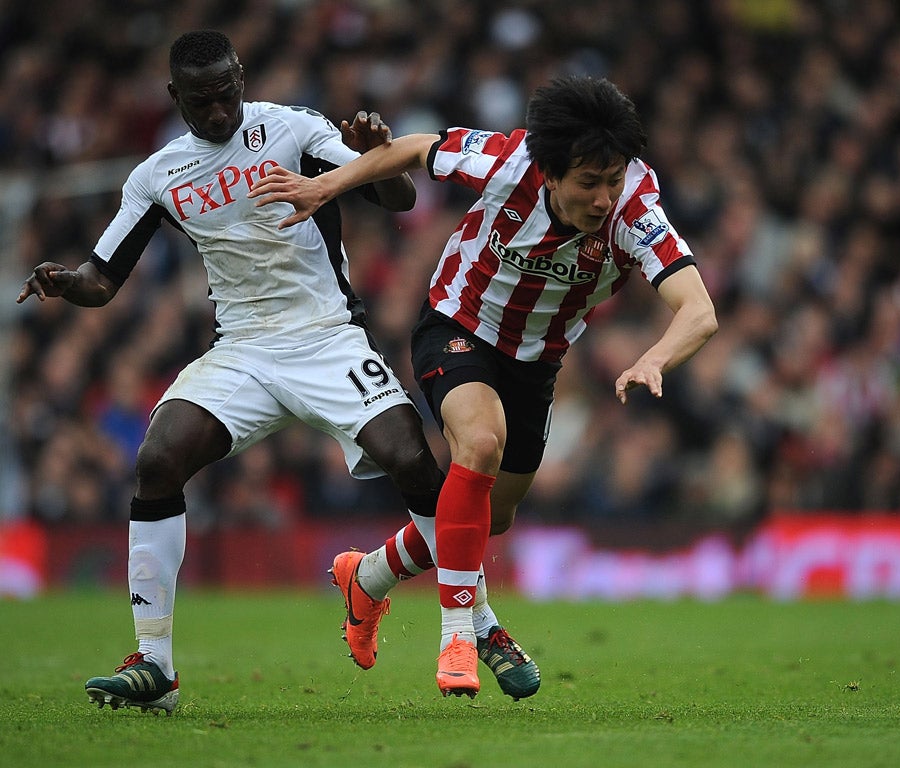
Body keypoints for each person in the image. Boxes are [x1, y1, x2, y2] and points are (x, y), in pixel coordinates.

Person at [16, 29, 535, 714]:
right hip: (243, 352)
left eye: (227, 93)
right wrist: (64, 282)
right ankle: (155, 665)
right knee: (158, 461)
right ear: (176, 99)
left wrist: (378, 155)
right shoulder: (158, 176)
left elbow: (399, 200)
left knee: (413, 460)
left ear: (241, 79)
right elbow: (102, 279)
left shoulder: (293, 129)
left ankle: (482, 625)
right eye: (201, 101)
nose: (219, 111)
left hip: (328, 339)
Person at [249, 75, 719, 697]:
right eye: (588, 183)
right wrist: (324, 185)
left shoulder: (636, 207)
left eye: (611, 180)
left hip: (537, 361)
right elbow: (416, 148)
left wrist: (655, 359)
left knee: (489, 517)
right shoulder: (508, 162)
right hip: (457, 325)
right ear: (549, 173)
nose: (604, 197)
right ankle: (461, 639)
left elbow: (700, 310)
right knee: (479, 444)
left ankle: (367, 577)